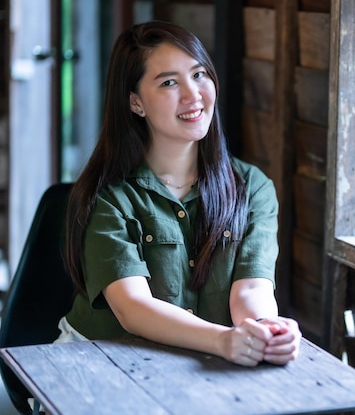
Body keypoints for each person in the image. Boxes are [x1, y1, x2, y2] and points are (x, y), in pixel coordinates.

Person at [58, 20, 301, 367]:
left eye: (199, 74)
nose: (193, 95)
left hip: (199, 361)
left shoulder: (252, 187)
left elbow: (251, 289)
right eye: (169, 82)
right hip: (99, 361)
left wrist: (264, 330)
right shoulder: (109, 196)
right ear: (136, 102)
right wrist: (222, 339)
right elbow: (133, 308)